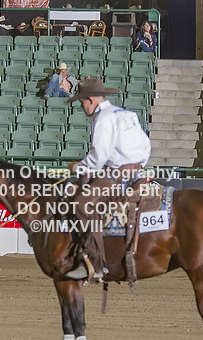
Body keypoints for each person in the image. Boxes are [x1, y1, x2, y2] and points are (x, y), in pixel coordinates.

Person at [64, 78, 152, 280]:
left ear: (90, 100)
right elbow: (145, 145)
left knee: (81, 204)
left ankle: (93, 263)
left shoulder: (103, 119)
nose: (82, 107)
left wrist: (76, 167)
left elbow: (98, 158)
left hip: (118, 174)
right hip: (138, 169)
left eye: (82, 102)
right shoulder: (127, 114)